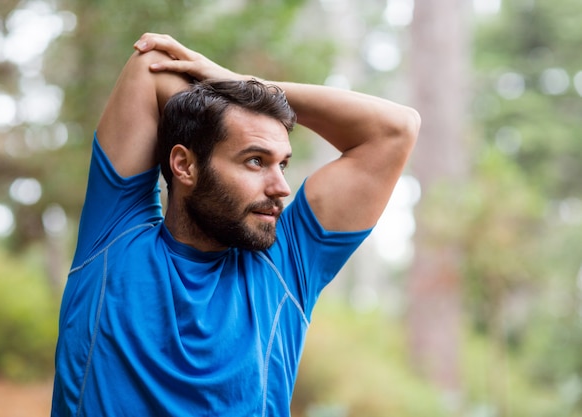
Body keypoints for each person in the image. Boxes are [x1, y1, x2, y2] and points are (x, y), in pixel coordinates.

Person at [51, 33, 420, 416]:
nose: (281, 187)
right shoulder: (115, 235)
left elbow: (397, 128)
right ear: (185, 165)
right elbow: (151, 64)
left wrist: (241, 84)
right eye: (255, 161)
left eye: (283, 163)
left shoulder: (286, 265)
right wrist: (232, 96)